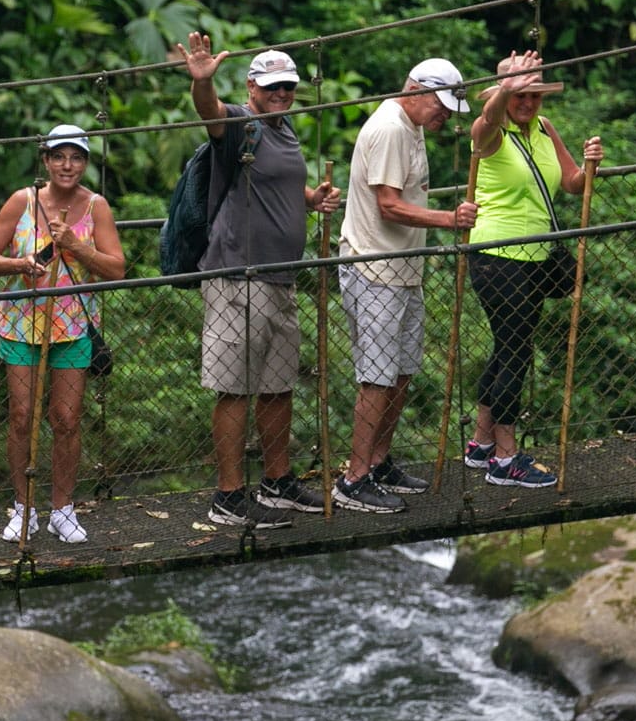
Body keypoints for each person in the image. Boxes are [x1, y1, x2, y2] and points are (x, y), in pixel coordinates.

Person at [171, 34, 341, 528]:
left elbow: (275, 180)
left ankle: (277, 481)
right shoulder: (241, 124)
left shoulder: (283, 129)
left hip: (280, 278)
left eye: (287, 86)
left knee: (277, 385)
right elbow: (210, 113)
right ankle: (227, 496)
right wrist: (202, 82)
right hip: (237, 277)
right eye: (271, 87)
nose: (281, 94)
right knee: (234, 388)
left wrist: (310, 199)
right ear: (251, 88)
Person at [331, 60, 478, 513]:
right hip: (374, 269)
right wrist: (448, 219)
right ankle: (353, 480)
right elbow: (389, 206)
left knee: (401, 372)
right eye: (441, 104)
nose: (446, 114)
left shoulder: (411, 126)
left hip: (402, 270)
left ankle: (378, 462)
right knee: (377, 377)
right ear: (415, 90)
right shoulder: (391, 127)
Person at [0, 124, 126, 545]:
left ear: (85, 163)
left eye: (76, 157)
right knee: (22, 417)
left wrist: (75, 246)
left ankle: (63, 509)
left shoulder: (96, 206)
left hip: (72, 327)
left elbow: (116, 268)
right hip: (21, 324)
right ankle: (23, 508)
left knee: (67, 419)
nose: (67, 165)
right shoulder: (22, 201)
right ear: (45, 161)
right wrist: (20, 264)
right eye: (59, 156)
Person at [461, 51, 603, 489]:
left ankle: (482, 442)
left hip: (536, 258)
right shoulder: (490, 131)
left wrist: (591, 164)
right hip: (496, 253)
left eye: (534, 94)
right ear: (503, 94)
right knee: (517, 350)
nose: (527, 102)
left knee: (509, 345)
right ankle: (505, 458)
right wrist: (505, 89)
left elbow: (572, 182)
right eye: (519, 95)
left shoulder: (543, 128)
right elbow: (486, 120)